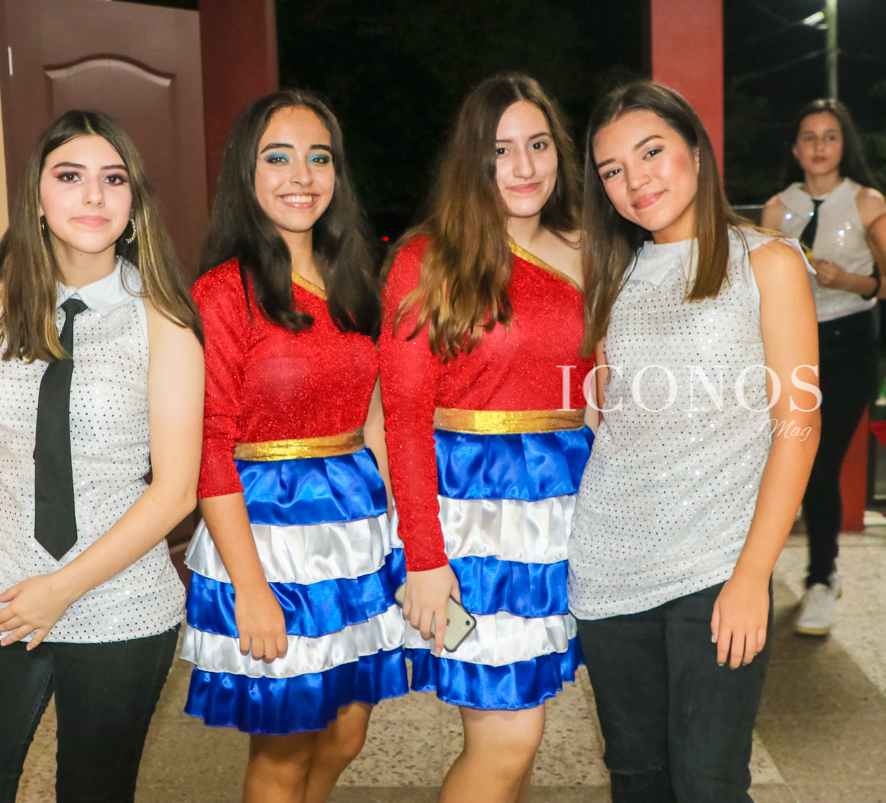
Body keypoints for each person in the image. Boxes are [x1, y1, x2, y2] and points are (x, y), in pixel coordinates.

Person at [0, 110, 204, 802]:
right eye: (70, 176)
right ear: (37, 198)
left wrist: (63, 586)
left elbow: (176, 490)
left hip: (122, 602)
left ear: (133, 203)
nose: (93, 195)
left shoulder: (165, 319)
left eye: (113, 179)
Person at [569, 81, 820, 802]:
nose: (635, 179)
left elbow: (798, 429)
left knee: (709, 783)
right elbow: (608, 415)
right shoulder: (615, 275)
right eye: (612, 169)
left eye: (651, 152)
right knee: (637, 779)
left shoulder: (767, 261)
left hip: (717, 564)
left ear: (697, 152)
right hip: (609, 563)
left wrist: (751, 577)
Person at [180, 90, 406, 803]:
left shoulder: (356, 278)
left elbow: (375, 417)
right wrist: (251, 589)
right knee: (285, 750)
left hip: (354, 535)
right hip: (266, 538)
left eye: (319, 158)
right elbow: (209, 447)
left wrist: (406, 537)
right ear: (245, 172)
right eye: (278, 158)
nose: (301, 176)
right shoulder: (222, 293)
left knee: (345, 735)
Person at [380, 73, 594, 803]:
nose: (525, 166)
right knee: (508, 738)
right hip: (471, 525)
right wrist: (424, 557)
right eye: (502, 150)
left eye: (539, 144)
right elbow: (405, 418)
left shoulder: (588, 248)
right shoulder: (428, 259)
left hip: (564, 518)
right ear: (473, 158)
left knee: (522, 729)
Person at [761, 99, 886, 635]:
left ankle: (822, 576)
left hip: (850, 345)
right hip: (793, 347)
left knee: (818, 462)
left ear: (844, 144)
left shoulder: (867, 202)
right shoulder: (777, 209)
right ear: (794, 148)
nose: (819, 146)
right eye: (808, 136)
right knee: (785, 458)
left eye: (830, 136)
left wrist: (849, 282)